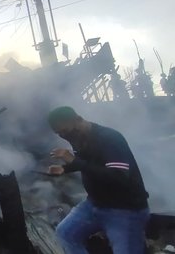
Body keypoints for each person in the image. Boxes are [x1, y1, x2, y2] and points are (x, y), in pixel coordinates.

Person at [47, 106, 149, 254]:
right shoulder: (77, 137)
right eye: (59, 134)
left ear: (78, 119)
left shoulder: (109, 138)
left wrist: (74, 161)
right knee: (66, 234)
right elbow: (91, 162)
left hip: (125, 209)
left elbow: (118, 177)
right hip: (94, 203)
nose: (64, 136)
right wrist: (66, 168)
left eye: (66, 131)